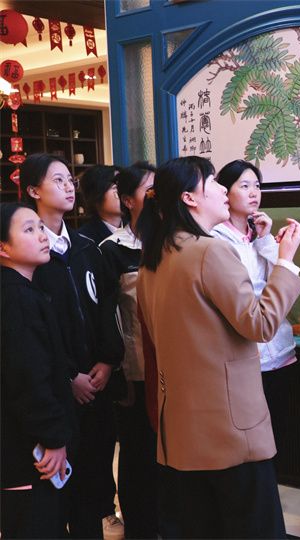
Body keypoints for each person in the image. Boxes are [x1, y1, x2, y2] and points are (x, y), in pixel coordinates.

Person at [136, 156, 300, 538]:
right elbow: (260, 324)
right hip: (231, 430)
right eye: (213, 181)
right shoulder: (209, 251)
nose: (222, 190)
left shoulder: (154, 258)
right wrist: (285, 263)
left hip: (182, 432)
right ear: (189, 198)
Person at [19, 153, 125, 539]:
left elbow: (106, 306)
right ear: (34, 190)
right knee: (56, 494)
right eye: (58, 180)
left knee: (92, 488)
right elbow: (33, 335)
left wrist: (107, 362)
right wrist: (68, 376)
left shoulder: (84, 246)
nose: (68, 187)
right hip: (57, 393)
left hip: (96, 383)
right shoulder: (28, 254)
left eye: (70, 180)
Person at [212, 159, 298, 464]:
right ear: (225, 192)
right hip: (246, 353)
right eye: (244, 186)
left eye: (257, 186)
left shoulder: (258, 233)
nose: (253, 193)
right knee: (252, 438)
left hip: (279, 349)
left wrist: (266, 240)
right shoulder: (216, 240)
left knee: (279, 432)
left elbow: (282, 284)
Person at [0, 203, 76, 539]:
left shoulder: (20, 291)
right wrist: (53, 438)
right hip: (27, 452)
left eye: (40, 227)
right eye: (28, 230)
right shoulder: (16, 298)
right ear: (3, 247)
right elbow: (28, 378)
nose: (42, 235)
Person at [99, 162, 158, 538]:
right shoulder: (112, 250)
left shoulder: (172, 243)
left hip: (173, 372)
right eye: (148, 190)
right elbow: (108, 317)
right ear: (127, 200)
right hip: (135, 372)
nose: (155, 196)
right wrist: (119, 374)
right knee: (138, 456)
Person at [78, 164, 123, 244]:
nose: (124, 194)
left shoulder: (136, 230)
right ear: (96, 194)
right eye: (115, 188)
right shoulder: (84, 239)